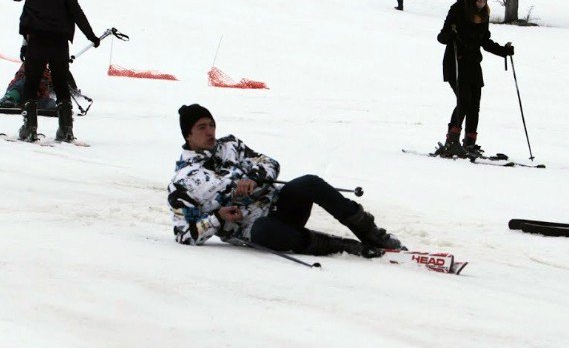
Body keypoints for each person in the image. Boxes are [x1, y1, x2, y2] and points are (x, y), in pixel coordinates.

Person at [168, 104, 403, 257]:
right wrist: (218, 219)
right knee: (263, 229)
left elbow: (270, 163)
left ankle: (371, 233)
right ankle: (340, 246)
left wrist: (254, 177)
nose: (210, 132)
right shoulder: (183, 183)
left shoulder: (230, 146)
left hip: (282, 207)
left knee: (308, 182)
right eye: (201, 127)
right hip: (255, 229)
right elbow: (183, 234)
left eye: (211, 125)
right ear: (188, 135)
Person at [10, 0, 99, 142]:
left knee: (31, 83)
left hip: (36, 40)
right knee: (60, 83)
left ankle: (30, 127)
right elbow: (76, 12)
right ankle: (66, 129)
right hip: (59, 41)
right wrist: (91, 35)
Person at [435, 0, 513, 158]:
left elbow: (484, 42)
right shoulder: (457, 10)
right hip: (455, 62)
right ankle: (451, 142)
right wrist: (451, 34)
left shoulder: (483, 15)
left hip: (473, 64)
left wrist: (503, 51)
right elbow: (441, 37)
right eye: (479, 1)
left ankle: (469, 143)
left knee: (474, 103)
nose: (482, 4)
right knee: (464, 98)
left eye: (484, 1)